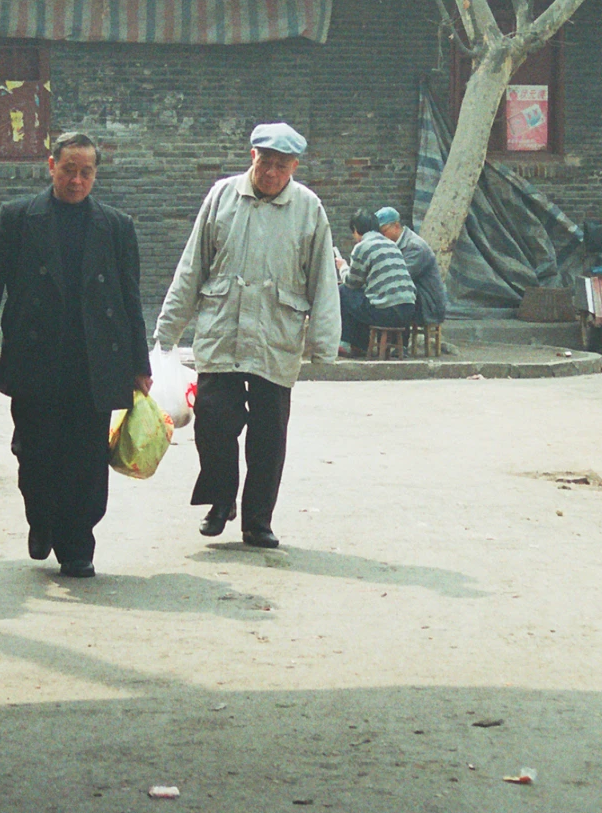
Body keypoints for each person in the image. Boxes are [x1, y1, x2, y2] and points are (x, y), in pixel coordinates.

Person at [0, 132, 151, 578]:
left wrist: (139, 364)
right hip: (35, 358)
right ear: (51, 166)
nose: (77, 180)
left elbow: (129, 299)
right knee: (36, 454)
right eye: (69, 170)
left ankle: (78, 544)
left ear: (95, 174)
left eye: (86, 172)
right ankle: (41, 519)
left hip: (93, 361)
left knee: (86, 459)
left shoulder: (117, 227)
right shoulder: (19, 219)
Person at [155, 122, 340, 549]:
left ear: (293, 167)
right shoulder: (222, 196)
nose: (271, 172)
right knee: (213, 424)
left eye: (281, 166)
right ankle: (221, 501)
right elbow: (192, 265)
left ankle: (258, 521)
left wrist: (324, 342)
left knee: (268, 437)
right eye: (265, 162)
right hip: (223, 331)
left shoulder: (309, 208)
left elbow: (323, 281)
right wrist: (168, 330)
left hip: (276, 336)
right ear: (251, 157)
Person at [338, 209, 420, 354]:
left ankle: (348, 343)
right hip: (408, 311)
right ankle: (364, 345)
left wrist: (343, 267)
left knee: (344, 292)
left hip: (386, 312)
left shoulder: (362, 246)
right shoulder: (392, 245)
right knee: (363, 298)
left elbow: (352, 283)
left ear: (356, 230)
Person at [376, 206, 448, 327]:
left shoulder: (415, 247)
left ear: (396, 226)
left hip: (427, 306)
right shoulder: (395, 244)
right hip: (413, 298)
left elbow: (399, 278)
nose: (382, 237)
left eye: (384, 232)